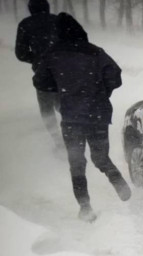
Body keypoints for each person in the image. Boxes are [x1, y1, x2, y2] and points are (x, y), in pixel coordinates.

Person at [33, 13, 131, 222]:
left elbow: (40, 82)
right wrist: (101, 92)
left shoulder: (53, 54)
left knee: (76, 163)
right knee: (100, 158)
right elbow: (115, 75)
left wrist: (60, 88)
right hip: (97, 115)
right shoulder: (95, 52)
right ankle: (120, 186)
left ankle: (85, 207)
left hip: (71, 117)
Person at [15, 0, 63, 149]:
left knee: (47, 110)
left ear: (30, 9)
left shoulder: (25, 25)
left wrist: (37, 59)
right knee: (65, 106)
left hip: (43, 75)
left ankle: (58, 141)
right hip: (63, 72)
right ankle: (74, 137)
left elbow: (21, 53)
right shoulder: (58, 21)